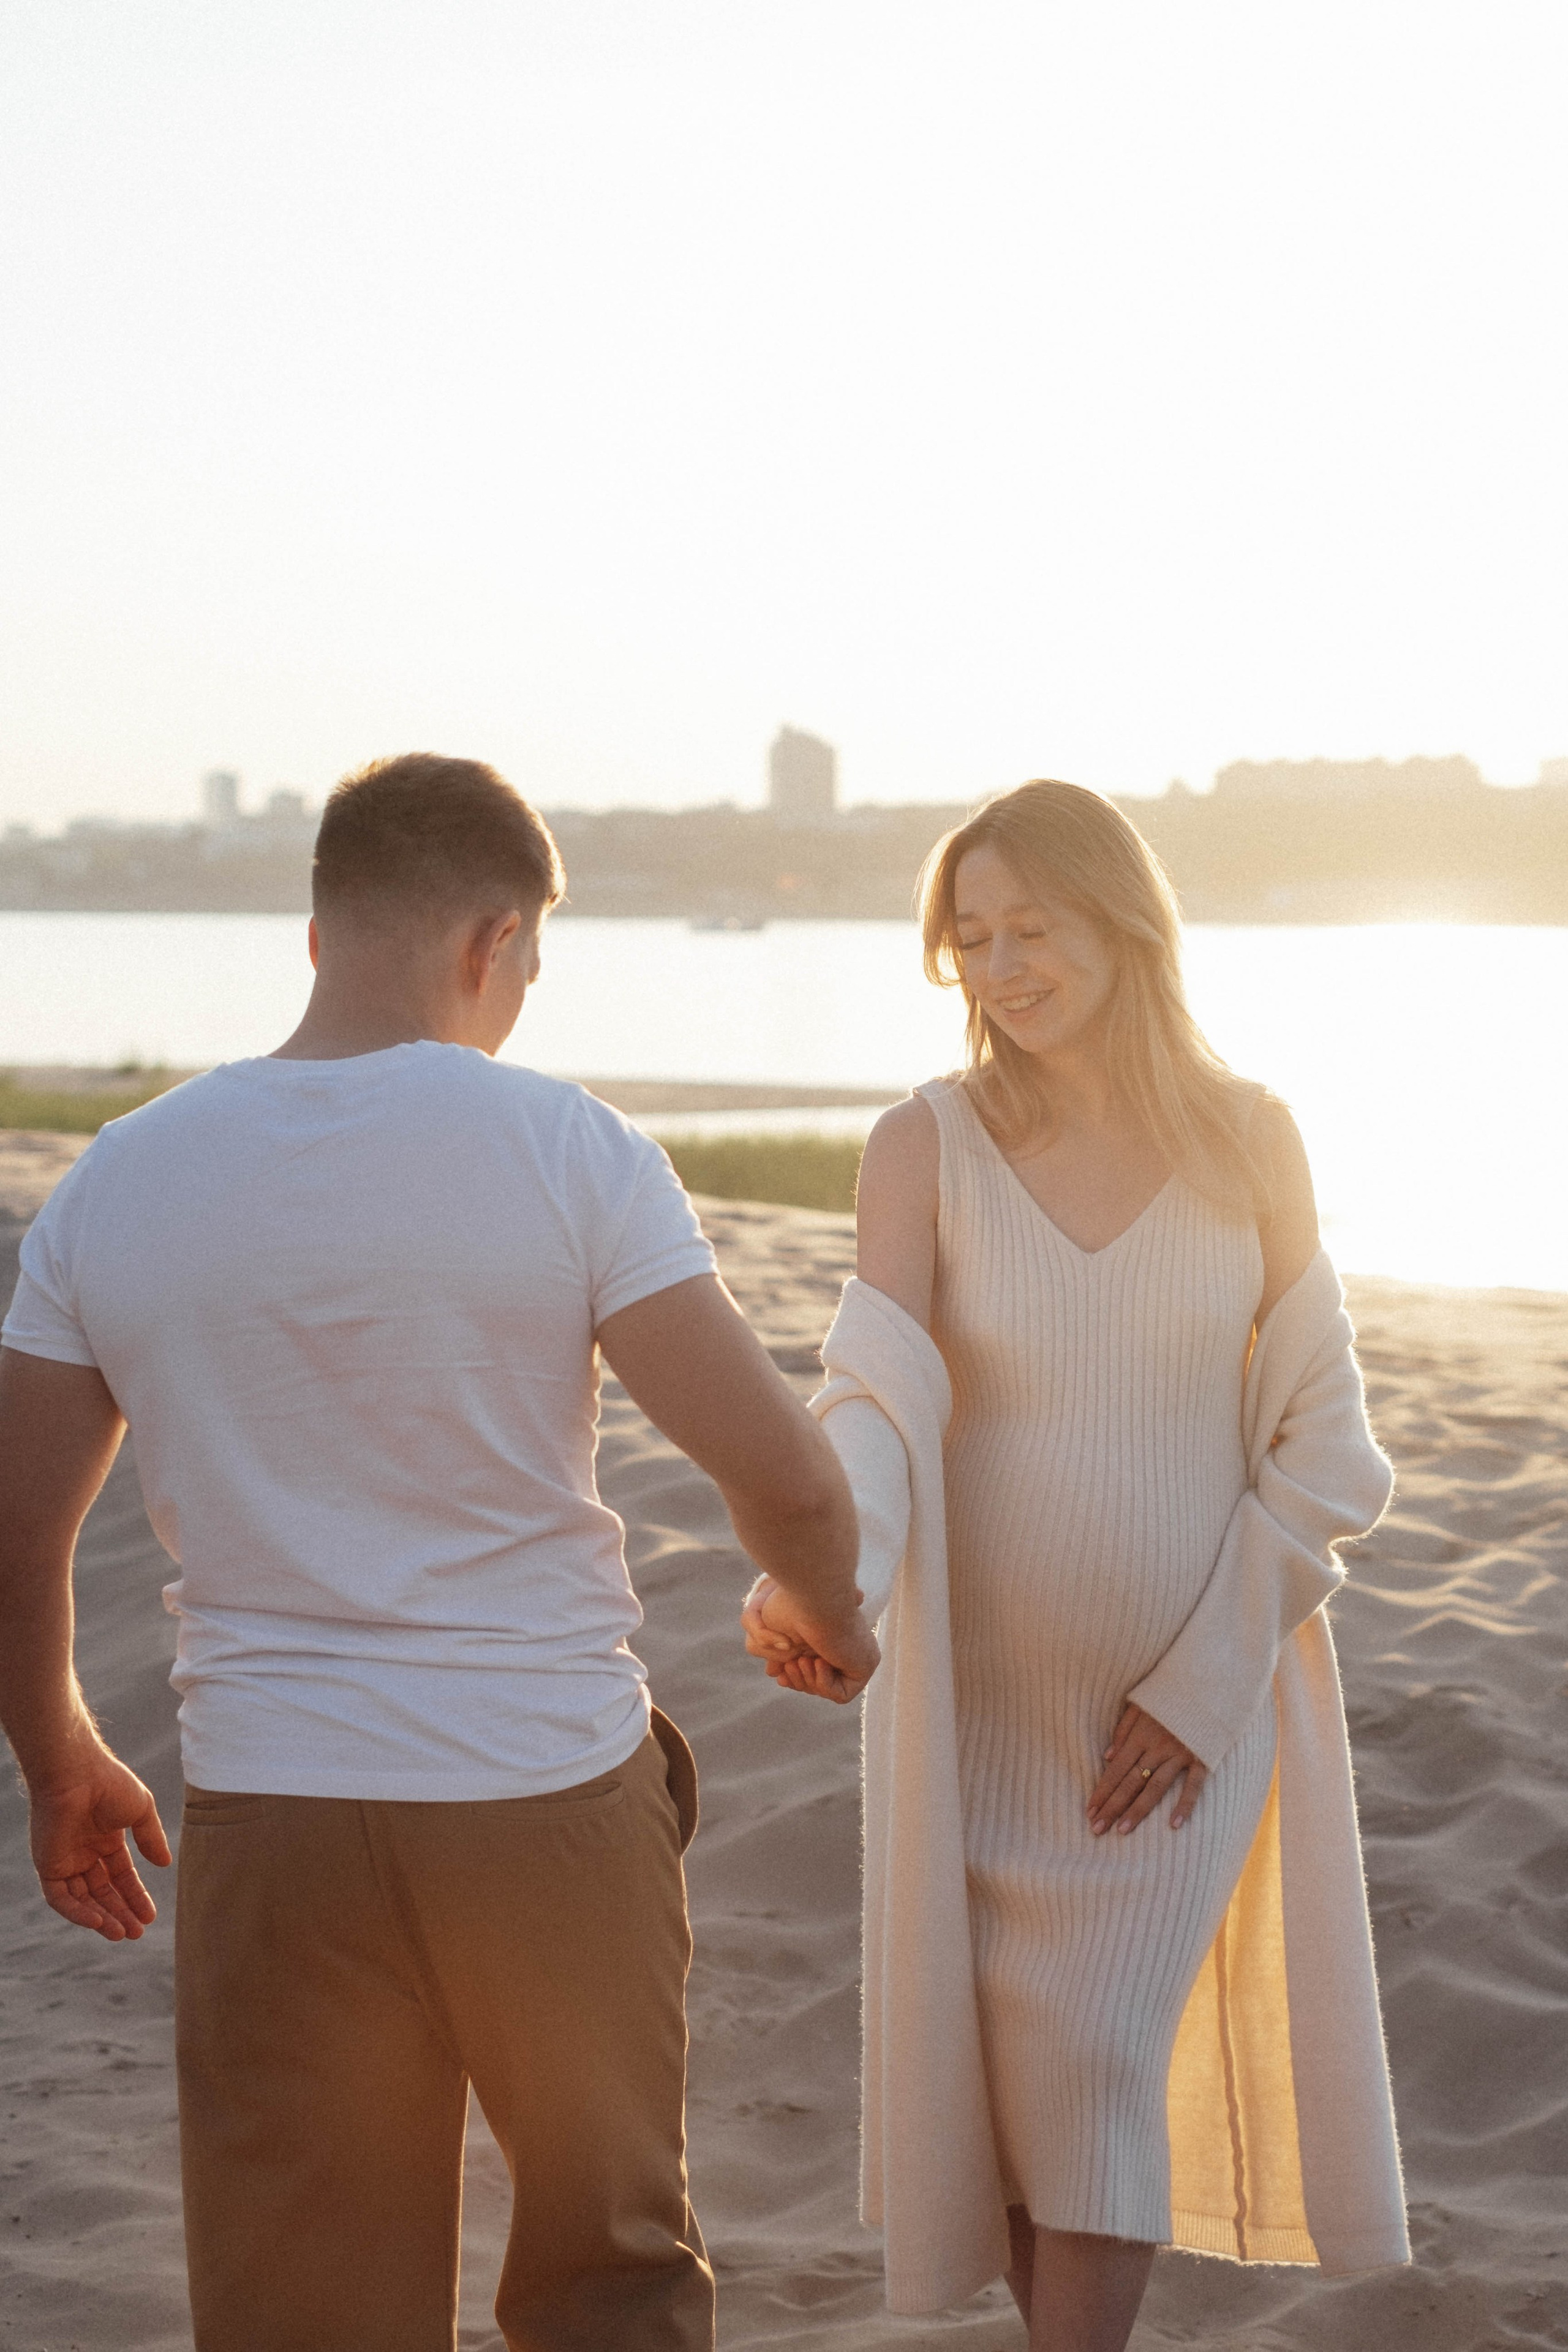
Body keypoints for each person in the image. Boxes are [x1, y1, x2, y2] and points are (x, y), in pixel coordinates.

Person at [0, 752, 876, 2352]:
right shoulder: (568, 1149)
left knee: (300, 2305)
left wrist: (58, 1751)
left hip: (272, 1811)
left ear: (319, 935)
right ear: (498, 941)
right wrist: (828, 1617)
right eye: (528, 966)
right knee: (608, 2280)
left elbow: (17, 1524)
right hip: (540, 1796)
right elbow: (794, 1484)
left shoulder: (116, 1179)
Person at [745, 779, 1408, 2352]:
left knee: (1099, 2059)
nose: (997, 968)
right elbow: (876, 1405)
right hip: (972, 1721)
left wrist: (1198, 1682)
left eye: (1027, 929)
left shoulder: (1252, 1137)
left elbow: (1323, 1449)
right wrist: (823, 1582)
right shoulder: (922, 1143)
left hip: (1181, 1718)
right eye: (967, 939)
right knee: (1038, 2096)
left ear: (1121, 924)